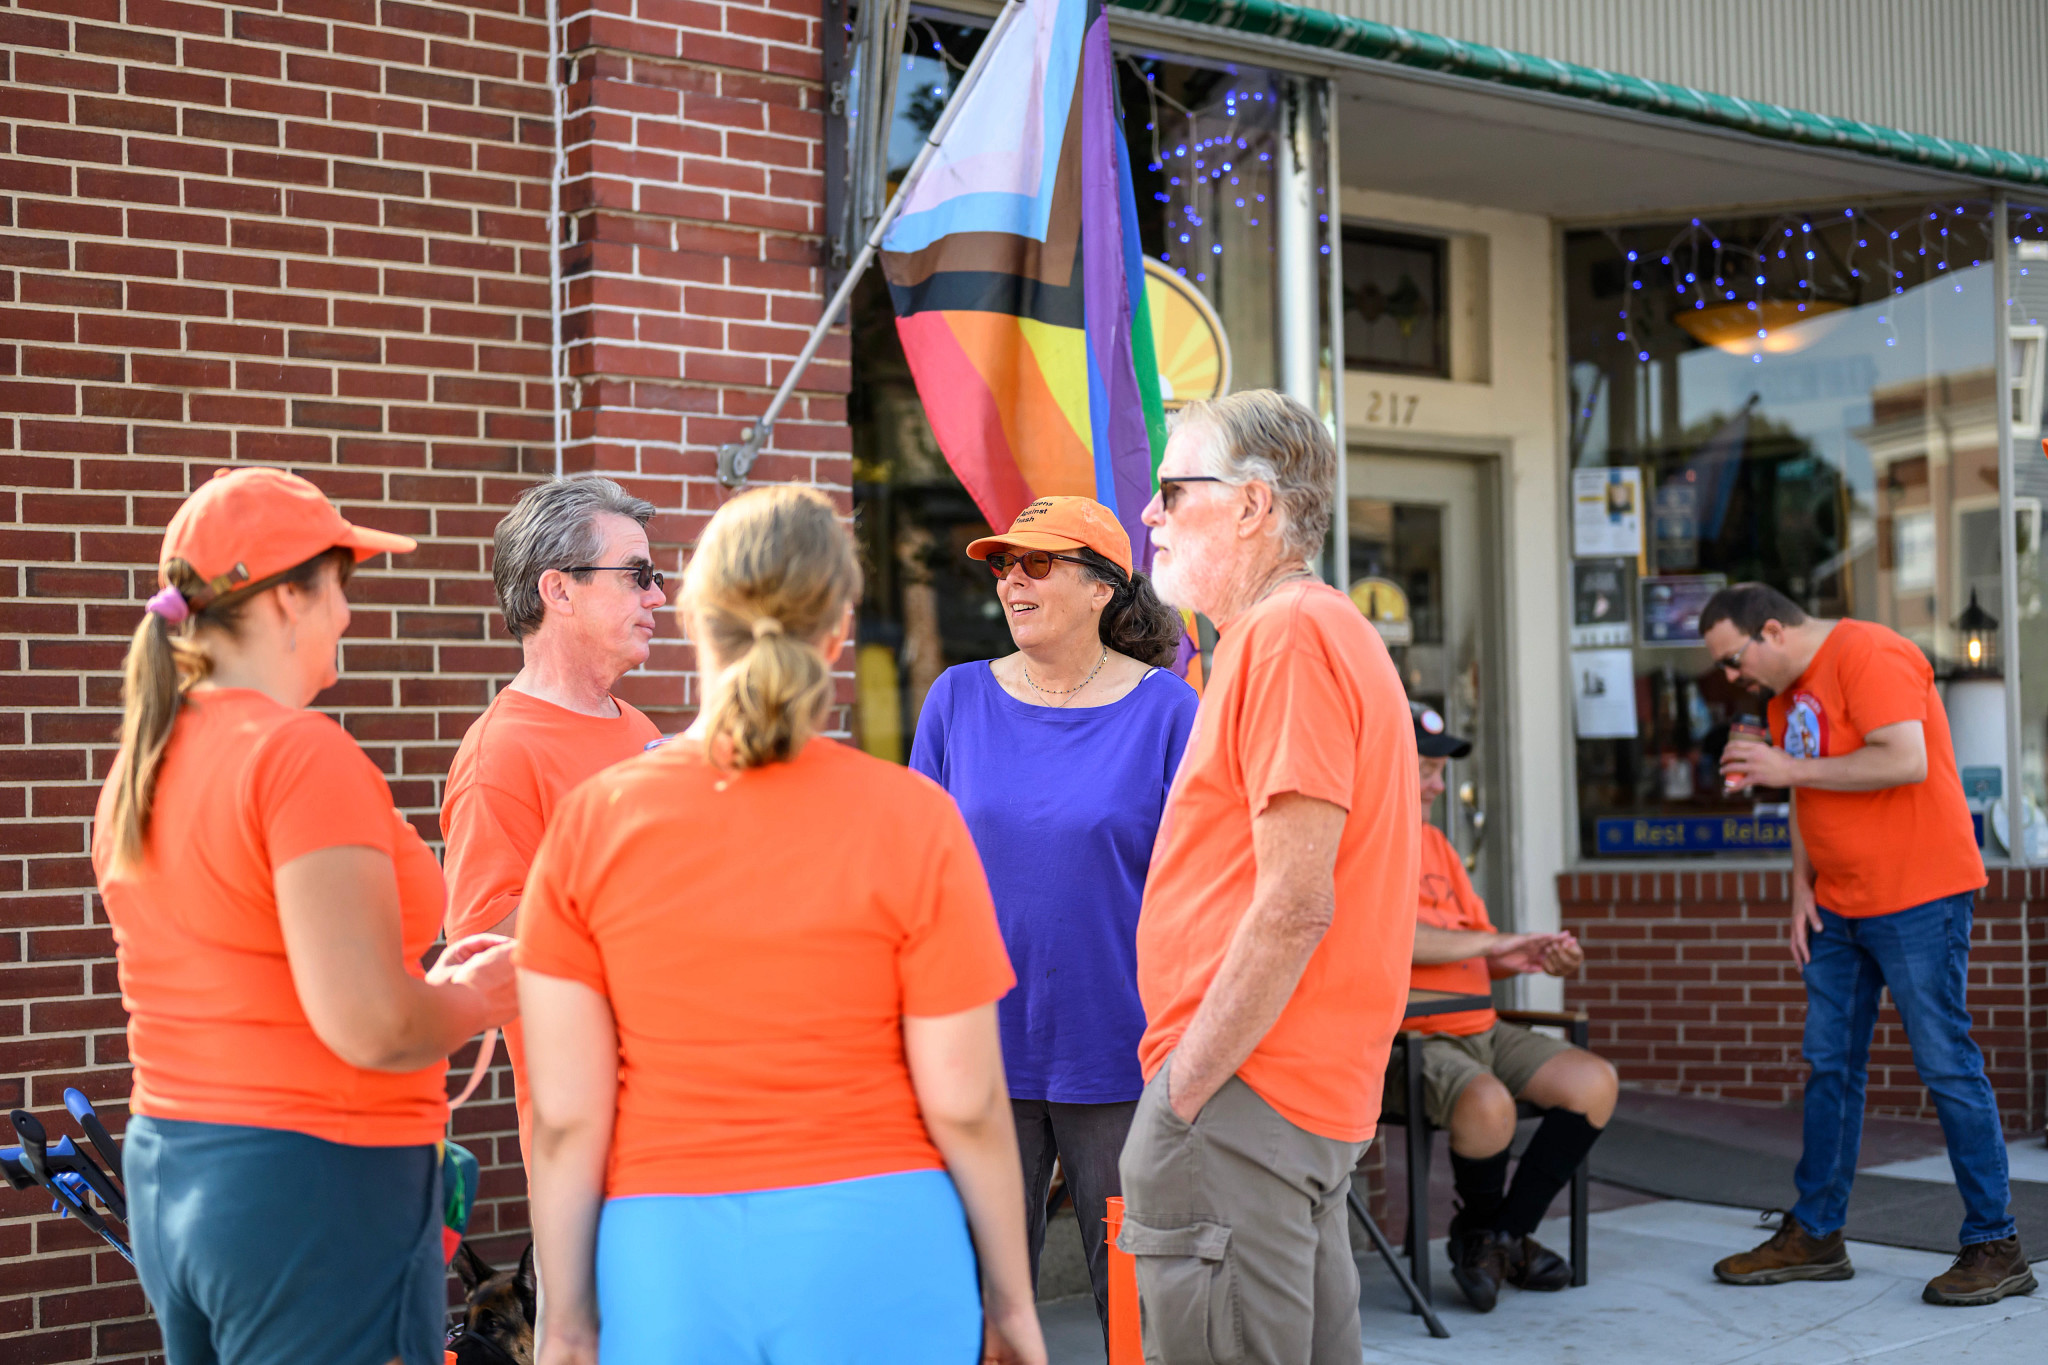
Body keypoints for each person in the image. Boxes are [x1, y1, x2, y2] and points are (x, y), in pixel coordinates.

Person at [515, 486, 1046, 1365]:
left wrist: (565, 1321)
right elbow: (968, 1100)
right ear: (839, 630)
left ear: (692, 616)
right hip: (882, 1248)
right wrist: (1014, 1303)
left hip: (666, 1258)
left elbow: (569, 1118)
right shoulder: (913, 818)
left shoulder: (593, 822)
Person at [92, 467, 519, 1365]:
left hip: (177, 1169)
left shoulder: (148, 759)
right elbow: (371, 1025)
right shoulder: (298, 757)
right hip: (314, 1184)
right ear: (288, 596)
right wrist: (480, 993)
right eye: (340, 586)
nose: (349, 614)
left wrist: (426, 992)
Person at [1118, 390, 1420, 1365]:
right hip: (1282, 1095)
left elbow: (1294, 902)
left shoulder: (1287, 635)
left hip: (1246, 1093)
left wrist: (1185, 1090)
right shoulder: (1297, 632)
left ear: (1251, 506)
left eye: (1172, 489)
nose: (1149, 513)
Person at [910, 495, 1198, 1333]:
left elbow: (1199, 891)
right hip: (977, 1049)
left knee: (1134, 1309)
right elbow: (916, 878)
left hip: (1118, 1049)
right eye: (1003, 565)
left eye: (1036, 563)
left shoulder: (1169, 712)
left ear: (1104, 587)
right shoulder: (956, 699)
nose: (1011, 581)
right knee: (975, 1307)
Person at [1704, 582, 2032, 1306]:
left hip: (1919, 895)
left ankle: (1996, 1242)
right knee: (1829, 1067)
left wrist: (1786, 769)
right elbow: (1805, 795)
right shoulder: (1786, 697)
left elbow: (1903, 758)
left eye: (1732, 660)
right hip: (1838, 906)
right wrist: (1800, 886)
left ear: (1770, 631)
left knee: (1946, 1062)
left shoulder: (1871, 652)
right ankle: (1817, 1233)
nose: (1730, 678)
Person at [440, 475, 665, 1163]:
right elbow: (479, 955)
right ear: (558, 590)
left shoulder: (641, 727)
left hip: (690, 1111)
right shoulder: (500, 753)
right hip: (599, 1143)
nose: (657, 596)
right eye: (636, 575)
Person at [1393, 701, 1617, 1313]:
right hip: (1411, 1042)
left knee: (1592, 1082)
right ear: (1384, 761)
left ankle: (1495, 1235)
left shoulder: (1436, 845)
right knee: (1487, 1103)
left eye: (1441, 770)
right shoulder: (1363, 838)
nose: (1439, 783)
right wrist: (1497, 943)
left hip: (1483, 1025)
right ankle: (1498, 1237)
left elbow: (1476, 943)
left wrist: (1528, 956)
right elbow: (1394, 938)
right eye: (1425, 768)